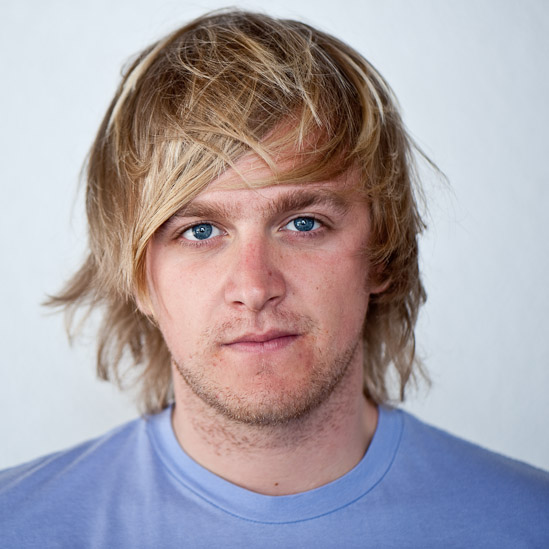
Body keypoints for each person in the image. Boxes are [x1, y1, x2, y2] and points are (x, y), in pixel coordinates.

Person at [1, 9, 547, 548]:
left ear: (381, 254)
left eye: (304, 223)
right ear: (139, 277)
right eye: (199, 231)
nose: (255, 288)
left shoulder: (529, 524)